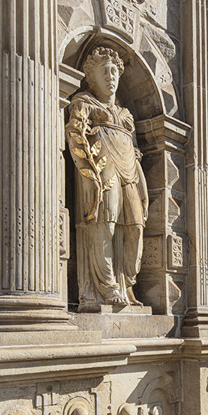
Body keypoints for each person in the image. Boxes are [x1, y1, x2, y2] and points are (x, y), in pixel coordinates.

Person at [66, 46, 148, 311]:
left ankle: (127, 283)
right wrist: (88, 173)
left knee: (135, 225)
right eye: (104, 71)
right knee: (106, 222)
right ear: (92, 77)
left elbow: (135, 151)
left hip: (130, 170)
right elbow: (75, 134)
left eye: (114, 71)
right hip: (102, 166)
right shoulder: (84, 103)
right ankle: (107, 285)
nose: (111, 76)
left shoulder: (126, 116)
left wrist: (142, 181)